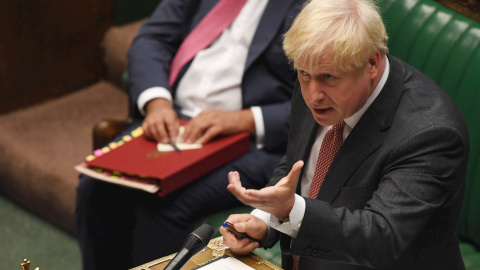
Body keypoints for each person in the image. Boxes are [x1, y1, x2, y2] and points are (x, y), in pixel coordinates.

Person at [220, 0, 470, 269]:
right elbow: (300, 164)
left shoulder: (430, 133)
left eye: (329, 77)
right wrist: (265, 219)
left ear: (372, 62)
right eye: (303, 74)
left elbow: (381, 237)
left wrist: (289, 210)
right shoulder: (316, 71)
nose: (313, 96)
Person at [75, 0, 306, 269]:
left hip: (253, 140)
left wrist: (244, 120)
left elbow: (318, 99)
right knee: (95, 186)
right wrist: (156, 101)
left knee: (163, 207)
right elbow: (153, 38)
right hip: (173, 118)